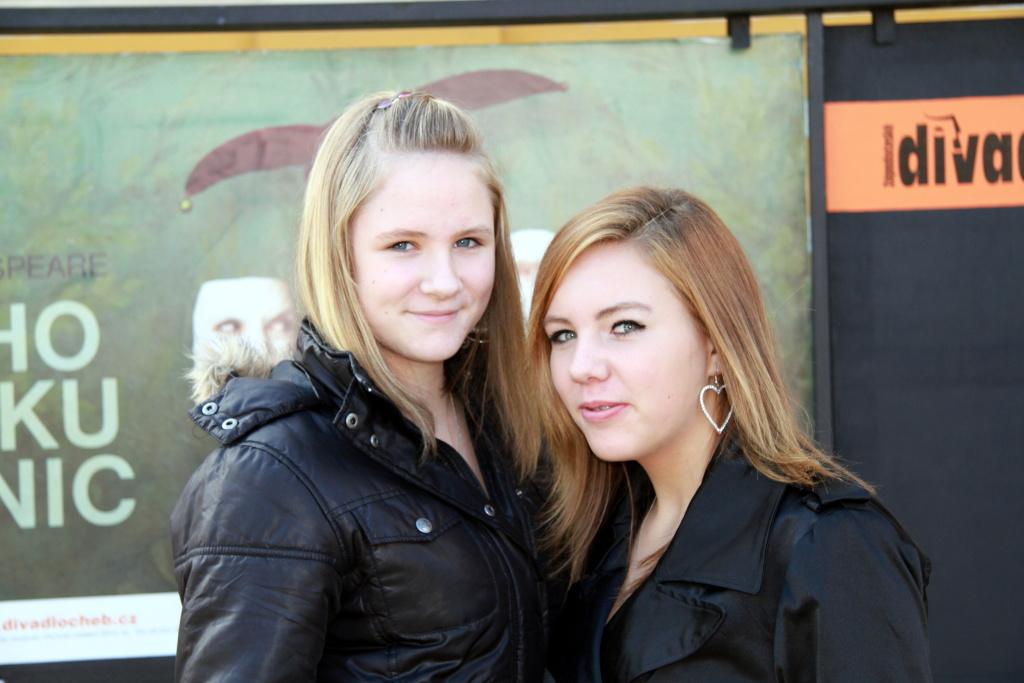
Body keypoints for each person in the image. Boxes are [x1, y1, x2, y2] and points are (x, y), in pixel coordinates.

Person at [171, 91, 547, 682]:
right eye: (403, 245)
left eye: (468, 242)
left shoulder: (512, 423)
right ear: (339, 254)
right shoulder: (269, 477)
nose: (445, 281)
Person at [529, 187, 932, 682]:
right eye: (563, 335)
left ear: (716, 346)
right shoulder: (590, 533)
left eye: (624, 326)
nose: (581, 366)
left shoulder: (827, 544)